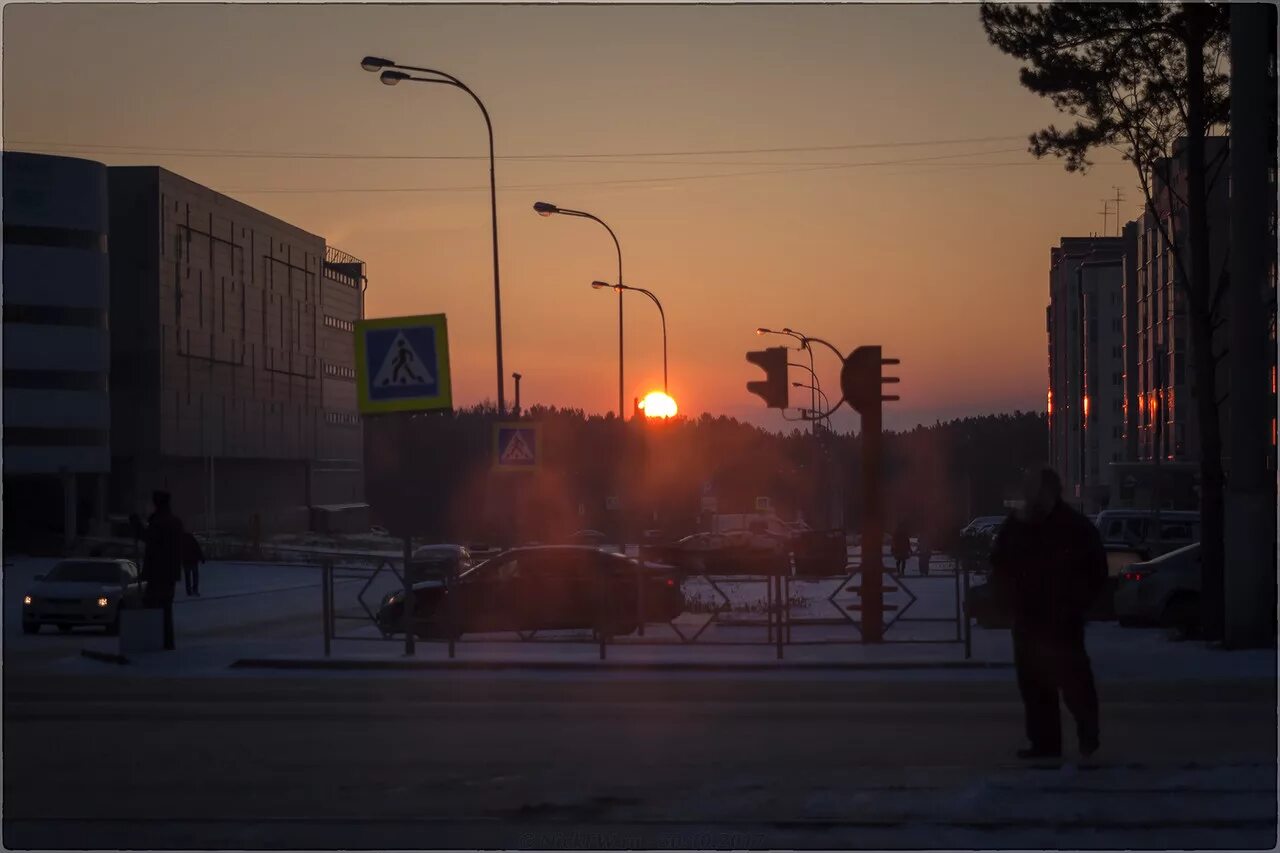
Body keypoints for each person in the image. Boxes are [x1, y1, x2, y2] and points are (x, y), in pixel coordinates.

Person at [991, 467, 1107, 760]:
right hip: (1029, 617)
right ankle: (1045, 744)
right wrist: (1007, 597)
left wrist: (1077, 605)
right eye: (1029, 488)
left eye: (1036, 488)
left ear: (1052, 492)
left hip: (1062, 619)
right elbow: (999, 561)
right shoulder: (1018, 525)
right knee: (1035, 685)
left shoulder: (1074, 527)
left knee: (1073, 681)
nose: (1031, 494)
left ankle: (1087, 734)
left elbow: (1095, 571)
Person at [142, 490, 185, 650]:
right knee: (164, 608)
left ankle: (157, 641)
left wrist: (137, 527)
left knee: (154, 606)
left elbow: (150, 539)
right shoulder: (174, 522)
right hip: (169, 572)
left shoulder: (161, 522)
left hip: (158, 572)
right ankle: (166, 641)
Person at [182, 530, 204, 597]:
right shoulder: (193, 541)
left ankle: (189, 591)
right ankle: (195, 590)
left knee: (187, 577)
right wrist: (202, 558)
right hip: (193, 561)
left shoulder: (182, 542)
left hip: (186, 561)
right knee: (195, 576)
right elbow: (198, 549)